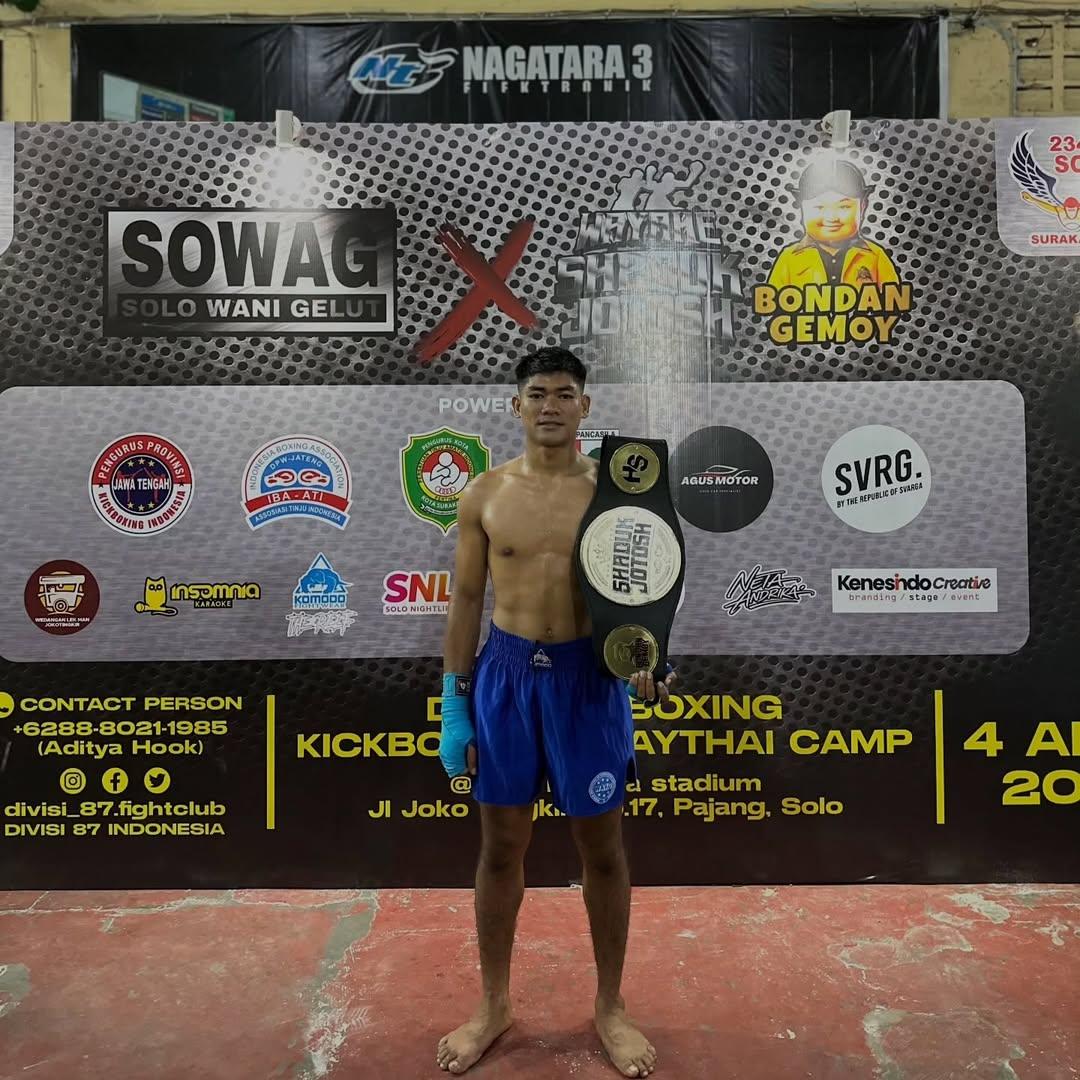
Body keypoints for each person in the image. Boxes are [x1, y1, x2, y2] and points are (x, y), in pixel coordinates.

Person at [436, 345, 675, 1078]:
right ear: (516, 405)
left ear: (585, 407)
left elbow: (649, 585)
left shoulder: (617, 493)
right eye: (537, 393)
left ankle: (610, 1007)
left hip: (588, 680)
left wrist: (650, 659)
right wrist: (454, 705)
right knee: (501, 846)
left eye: (565, 393)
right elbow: (467, 600)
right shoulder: (483, 493)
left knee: (601, 847)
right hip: (506, 677)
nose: (550, 405)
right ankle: (493, 1005)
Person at [767, 157, 899, 288]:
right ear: (802, 208)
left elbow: (895, 298)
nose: (831, 217)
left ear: (863, 207)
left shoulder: (876, 257)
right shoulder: (789, 259)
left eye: (844, 207)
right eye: (819, 207)